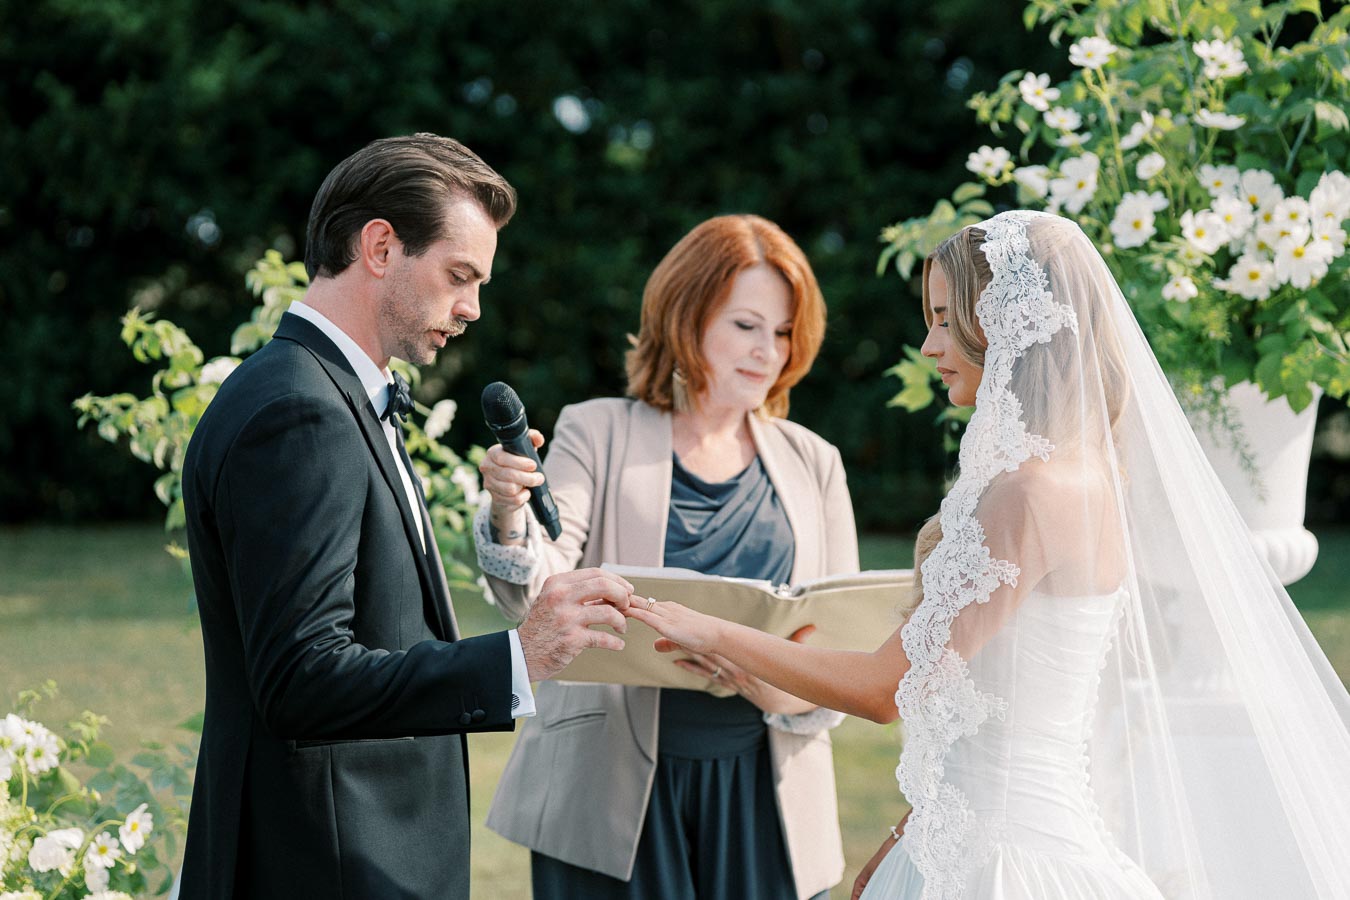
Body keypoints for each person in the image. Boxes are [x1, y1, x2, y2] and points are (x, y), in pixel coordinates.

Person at [628, 210, 1350, 899]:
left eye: (945, 320)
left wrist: (712, 629)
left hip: (1005, 863)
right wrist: (908, 833)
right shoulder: (1084, 472)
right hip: (983, 834)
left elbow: (888, 689)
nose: (929, 346)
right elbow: (990, 706)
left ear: (1007, 323)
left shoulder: (1031, 493)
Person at [178, 134, 635, 900]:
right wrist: (517, 657)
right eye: (460, 276)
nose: (473, 308)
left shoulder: (325, 391)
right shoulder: (300, 410)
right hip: (328, 863)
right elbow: (301, 677)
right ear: (381, 246)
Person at [473, 214, 859, 899]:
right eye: (746, 325)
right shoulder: (595, 429)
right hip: (607, 795)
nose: (766, 351)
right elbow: (539, 591)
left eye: (781, 332)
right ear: (688, 315)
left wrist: (770, 685)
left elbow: (844, 644)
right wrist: (507, 509)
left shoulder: (816, 462)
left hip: (767, 793)